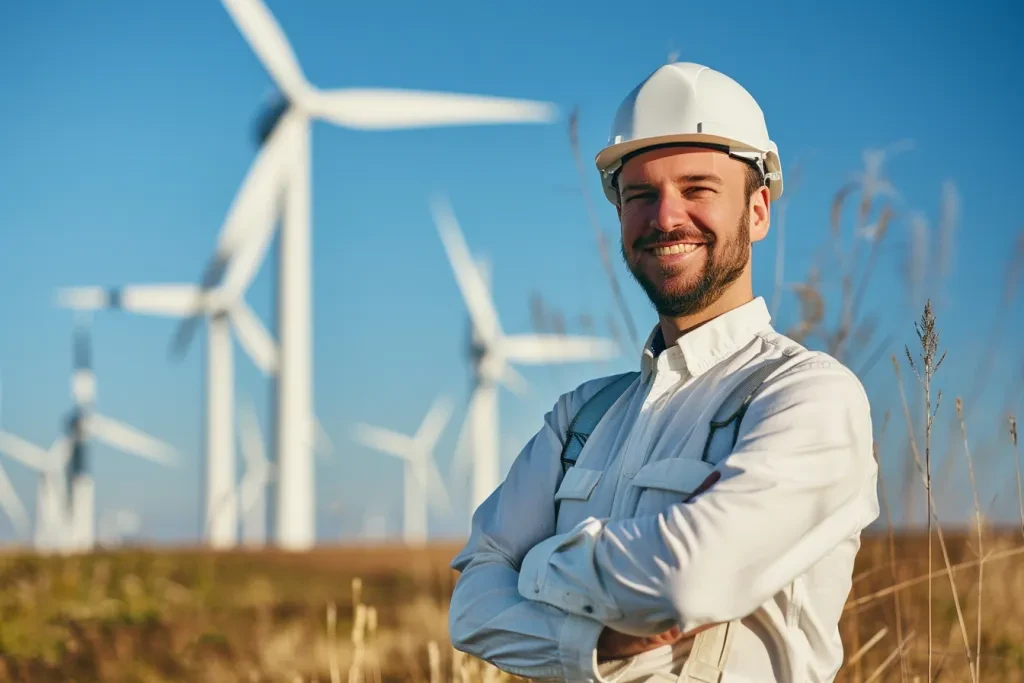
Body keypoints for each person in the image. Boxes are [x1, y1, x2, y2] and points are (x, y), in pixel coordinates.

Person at [447, 62, 880, 682]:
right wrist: (595, 644)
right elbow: (471, 609)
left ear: (758, 211)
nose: (665, 218)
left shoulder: (806, 396)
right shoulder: (580, 417)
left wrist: (538, 567)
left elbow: (688, 577)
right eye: (640, 195)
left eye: (698, 188)